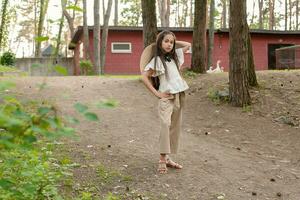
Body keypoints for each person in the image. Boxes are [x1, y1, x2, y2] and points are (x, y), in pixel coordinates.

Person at [140, 30, 191, 174]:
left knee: (174, 127)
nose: (169, 44)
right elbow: (144, 76)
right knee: (165, 124)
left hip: (179, 95)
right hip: (166, 97)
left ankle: (168, 158)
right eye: (166, 41)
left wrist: (175, 42)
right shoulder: (156, 61)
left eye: (171, 42)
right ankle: (162, 159)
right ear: (160, 43)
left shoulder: (175, 57)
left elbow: (188, 45)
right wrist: (157, 93)